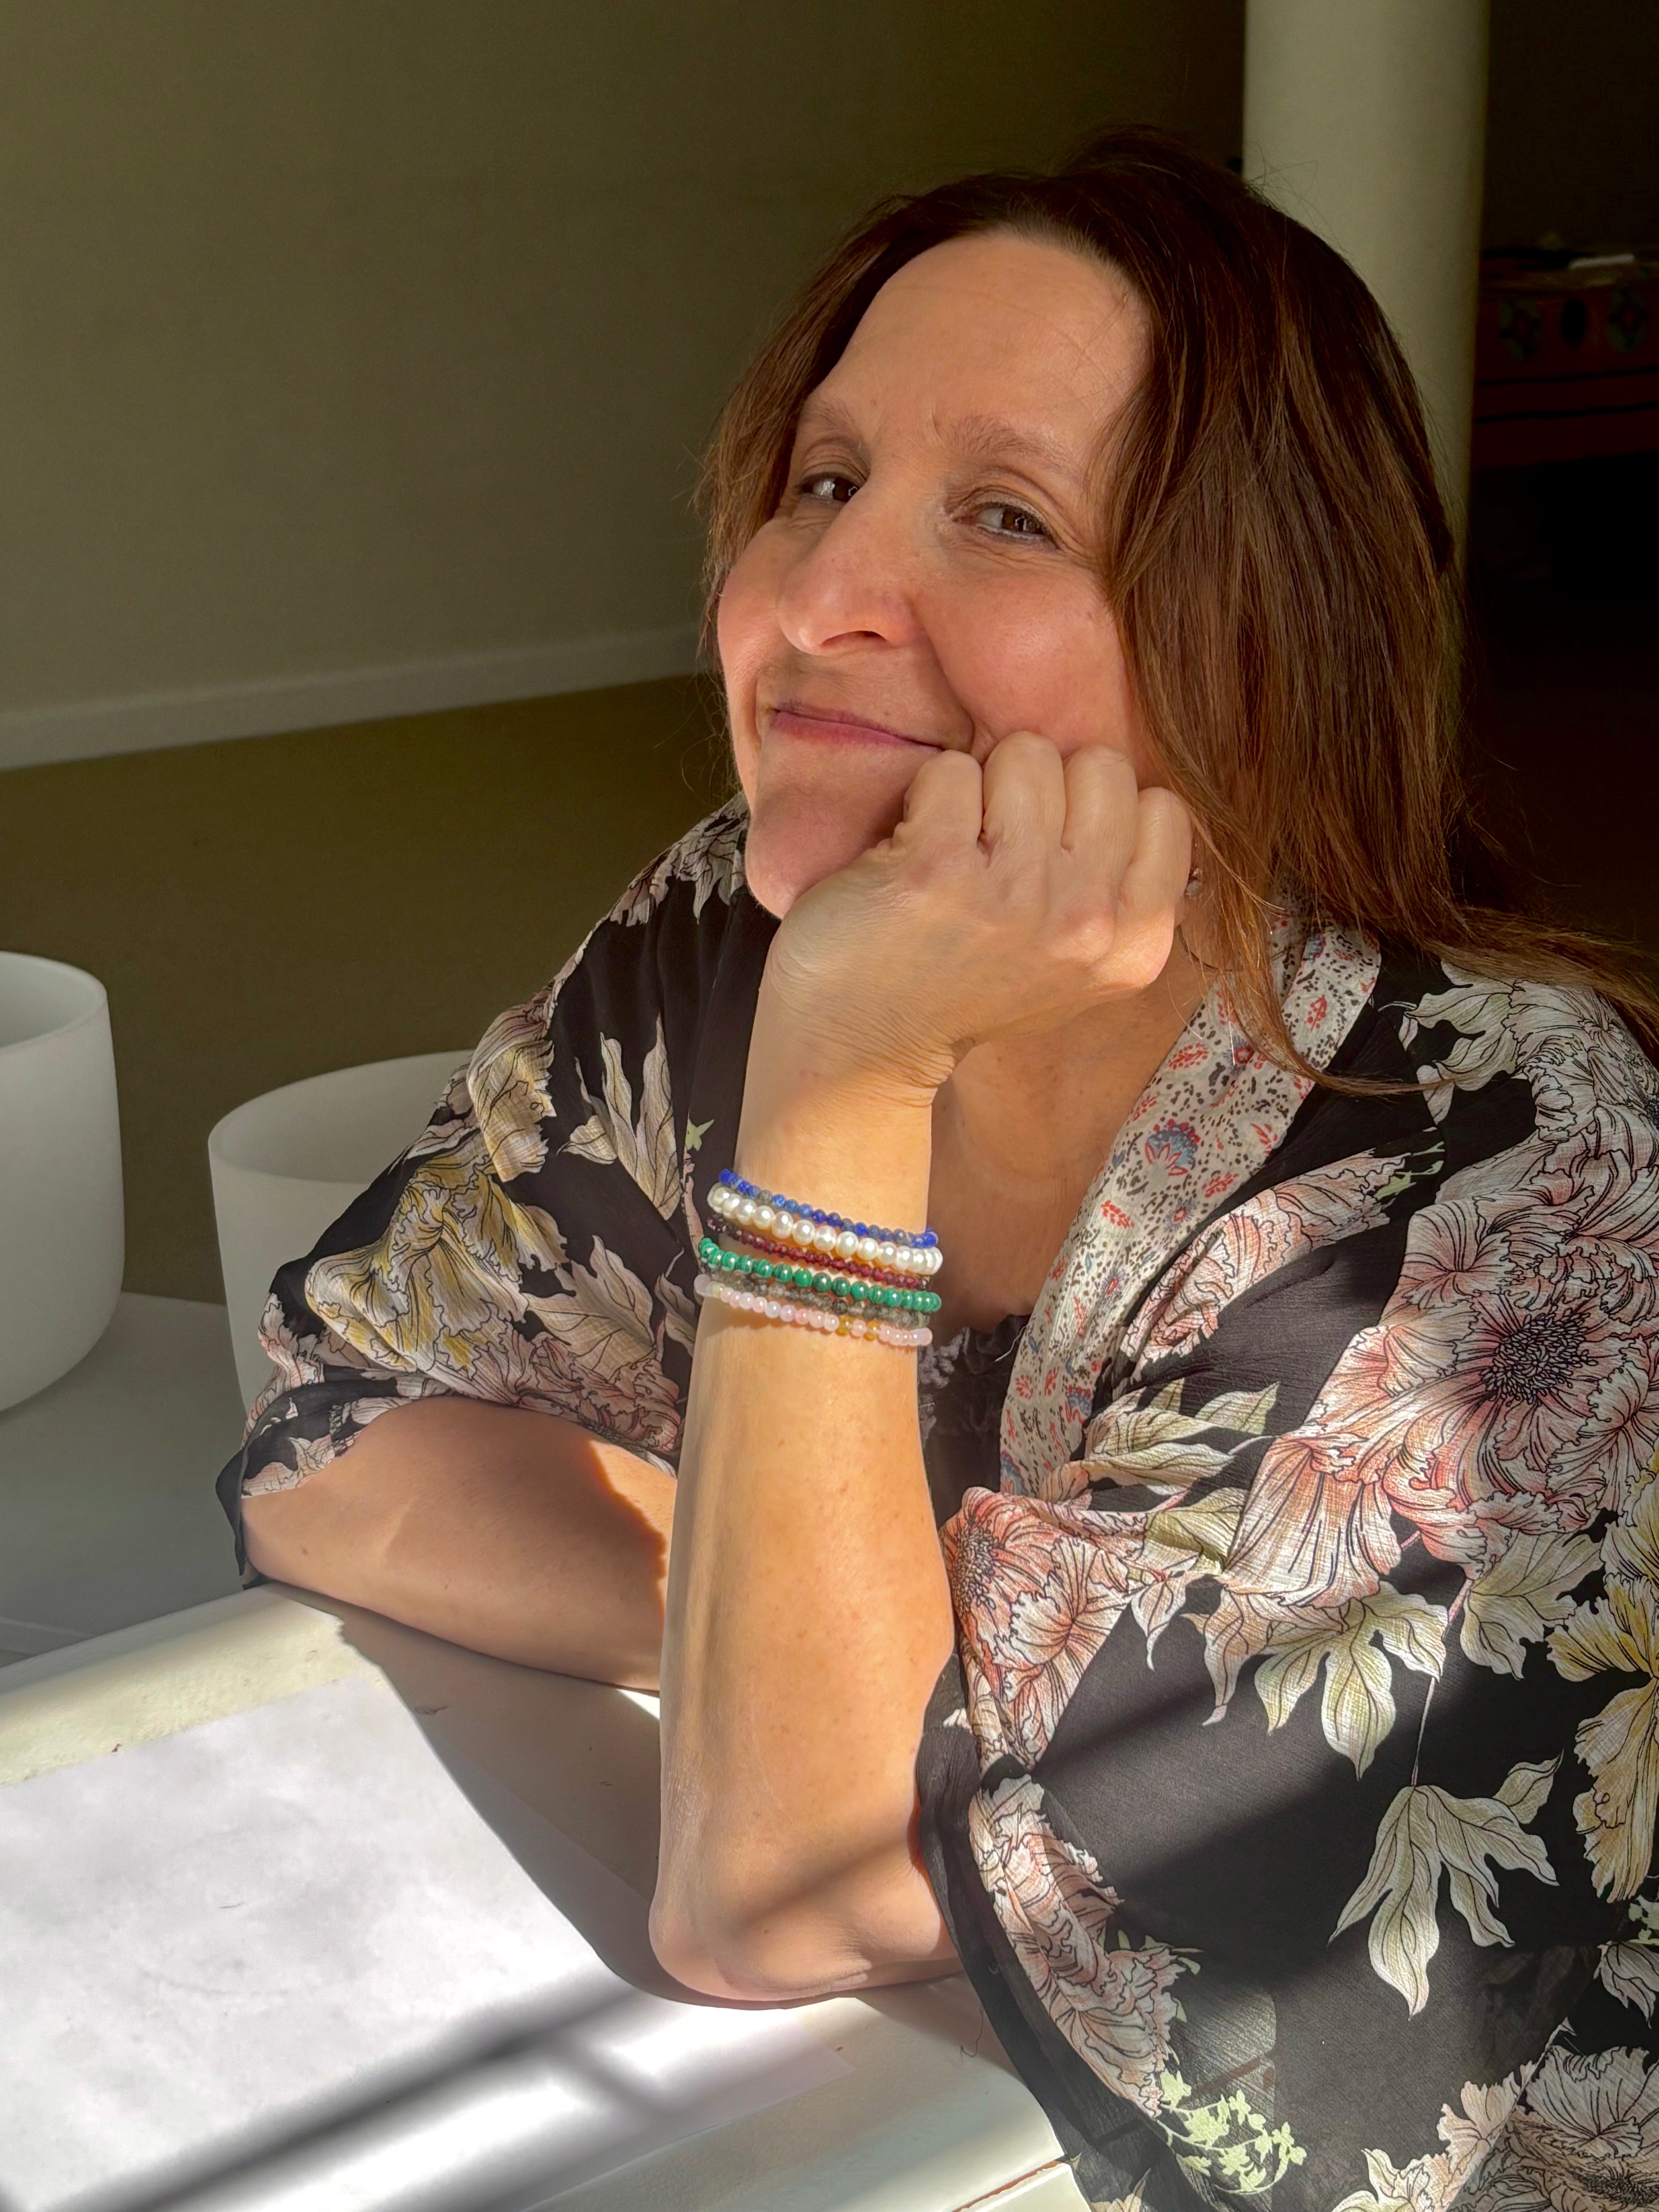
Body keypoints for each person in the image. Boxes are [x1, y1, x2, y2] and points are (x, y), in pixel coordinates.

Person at [219, 130, 1659, 2212]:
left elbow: (780, 1893)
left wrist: (840, 1093)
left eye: (1005, 515)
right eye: (822, 482)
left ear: (1265, 641)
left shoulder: (1502, 1177)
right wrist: (870, 1668)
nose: (816, 601)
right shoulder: (731, 932)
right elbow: (330, 1439)